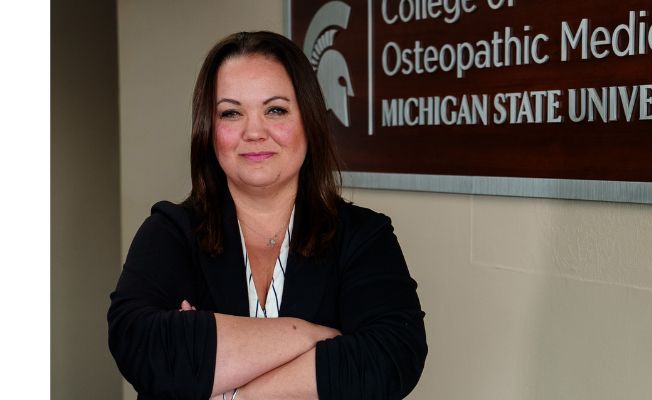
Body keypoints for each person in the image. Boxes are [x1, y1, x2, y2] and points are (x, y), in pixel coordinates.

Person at [107, 31, 427, 400]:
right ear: (210, 131)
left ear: (308, 121)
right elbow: (140, 345)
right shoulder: (170, 232)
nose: (254, 131)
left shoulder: (363, 235)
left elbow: (391, 356)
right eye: (231, 112)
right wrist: (309, 335)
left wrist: (235, 388)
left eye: (275, 109)